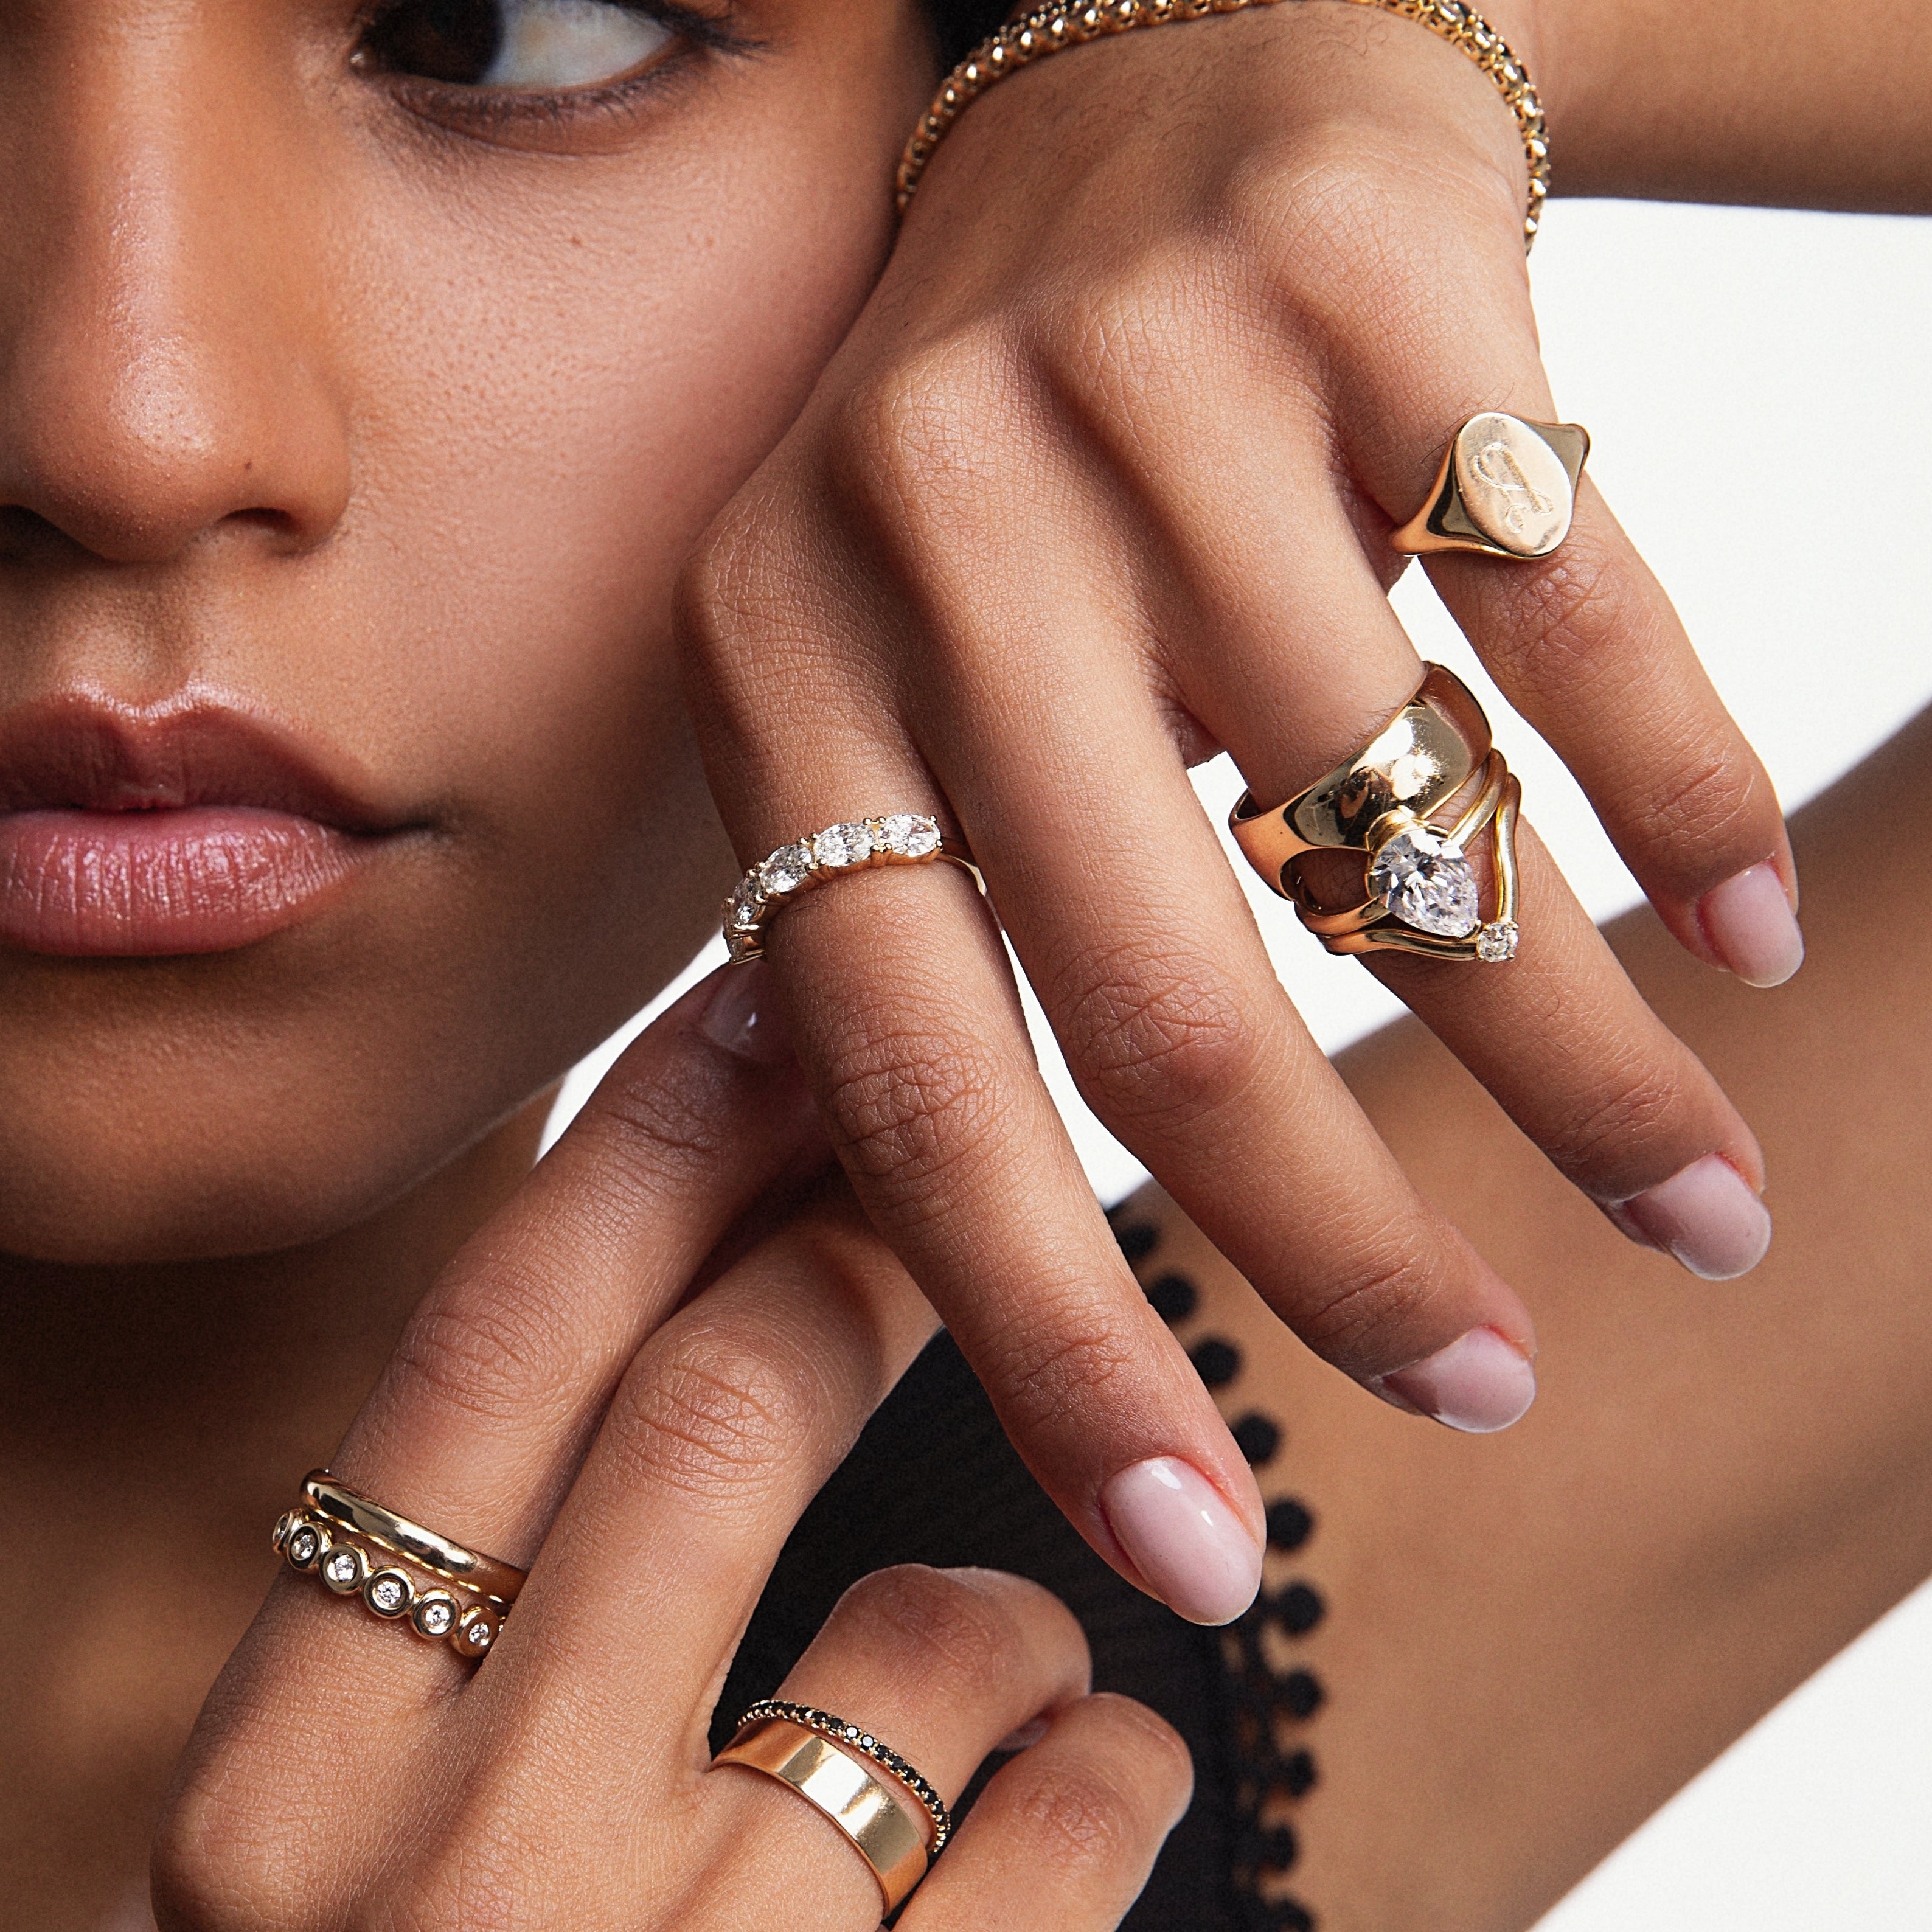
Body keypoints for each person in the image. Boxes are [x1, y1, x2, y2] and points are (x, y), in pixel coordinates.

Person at [0, 0, 1924, 1925]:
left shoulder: (1068, 1710)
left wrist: (1335, 32)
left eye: (490, 28)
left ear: (945, 199)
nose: (123, 431)